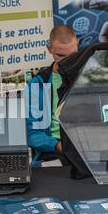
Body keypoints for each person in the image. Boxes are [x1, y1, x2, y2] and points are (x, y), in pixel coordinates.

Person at [26, 25, 79, 164]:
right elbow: (33, 134)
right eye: (60, 56)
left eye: (72, 55)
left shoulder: (89, 77)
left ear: (78, 44)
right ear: (49, 49)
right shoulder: (37, 84)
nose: (67, 61)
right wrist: (58, 146)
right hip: (54, 152)